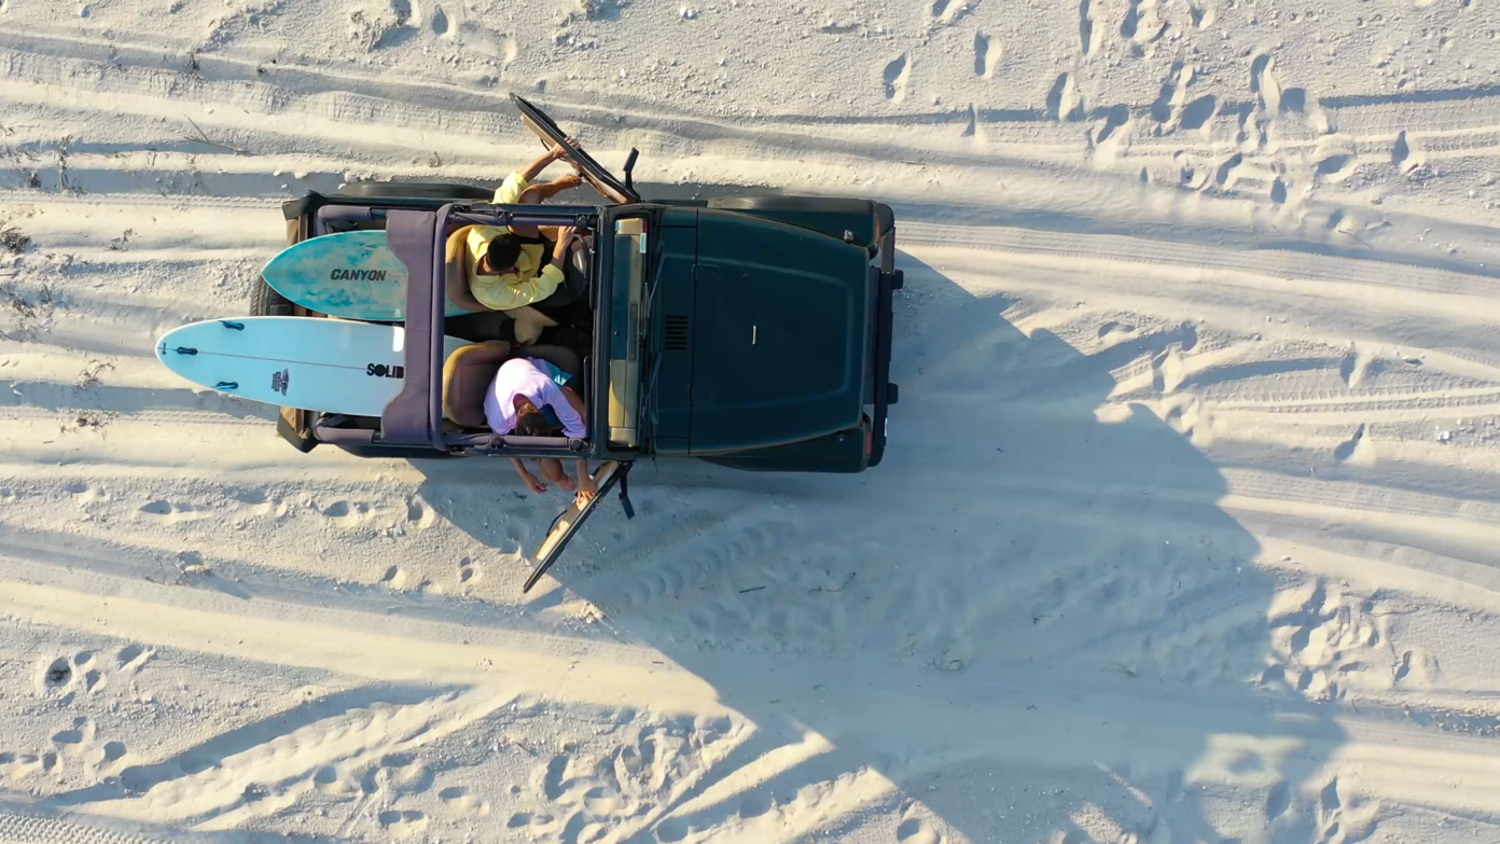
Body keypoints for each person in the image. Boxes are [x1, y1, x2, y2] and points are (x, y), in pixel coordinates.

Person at [443, 143, 589, 315]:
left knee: (530, 195)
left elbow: (514, 182)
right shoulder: (495, 295)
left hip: (530, 249)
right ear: (511, 269)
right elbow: (545, 287)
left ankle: (559, 184)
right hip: (538, 283)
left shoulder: (485, 232)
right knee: (585, 246)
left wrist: (553, 154)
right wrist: (561, 245)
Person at [486, 354, 598, 504]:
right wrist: (525, 474)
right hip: (506, 386)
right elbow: (504, 446)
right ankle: (558, 475)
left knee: (584, 418)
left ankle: (596, 427)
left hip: (532, 371)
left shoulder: (544, 386)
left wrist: (583, 477)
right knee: (553, 473)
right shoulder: (499, 419)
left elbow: (578, 430)